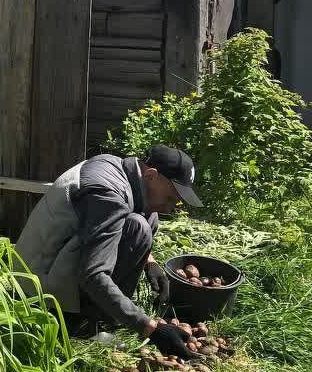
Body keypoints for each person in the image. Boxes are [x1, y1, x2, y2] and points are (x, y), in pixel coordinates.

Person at [15, 145, 203, 359]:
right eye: (171, 198)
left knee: (147, 218)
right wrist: (151, 328)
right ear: (151, 175)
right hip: (36, 285)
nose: (172, 207)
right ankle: (78, 325)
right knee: (139, 226)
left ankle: (96, 314)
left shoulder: (122, 169)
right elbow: (93, 275)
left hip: (56, 262)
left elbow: (136, 212)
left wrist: (150, 262)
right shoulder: (107, 194)